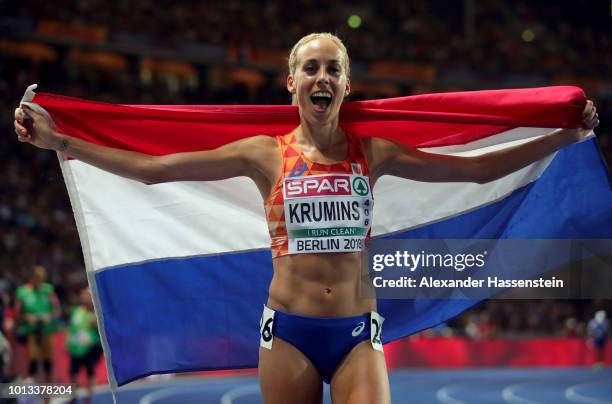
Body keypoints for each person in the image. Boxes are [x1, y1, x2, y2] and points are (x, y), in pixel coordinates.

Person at [14, 32, 598, 403]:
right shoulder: (263, 153)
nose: (323, 78)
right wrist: (63, 141)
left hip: (355, 334)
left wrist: (559, 139)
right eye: (312, 68)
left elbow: (474, 171)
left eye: (333, 70)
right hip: (288, 333)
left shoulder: (376, 152)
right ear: (291, 82)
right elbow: (153, 170)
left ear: (347, 85)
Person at [13, 266, 60, 383]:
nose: (41, 282)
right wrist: (27, 317)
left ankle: (47, 397)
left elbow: (57, 309)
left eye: (43, 279)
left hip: (47, 331)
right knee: (33, 362)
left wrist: (49, 316)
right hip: (32, 332)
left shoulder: (48, 290)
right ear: (32, 278)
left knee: (48, 363)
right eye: (38, 278)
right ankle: (32, 396)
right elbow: (16, 314)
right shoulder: (22, 292)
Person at [66, 287, 102, 404]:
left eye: (87, 295)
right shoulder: (77, 311)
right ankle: (74, 397)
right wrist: (68, 343)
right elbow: (72, 329)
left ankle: (89, 398)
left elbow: (101, 329)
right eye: (84, 295)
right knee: (72, 373)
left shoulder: (96, 312)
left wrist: (95, 323)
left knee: (90, 372)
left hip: (91, 348)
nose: (85, 297)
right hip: (76, 348)